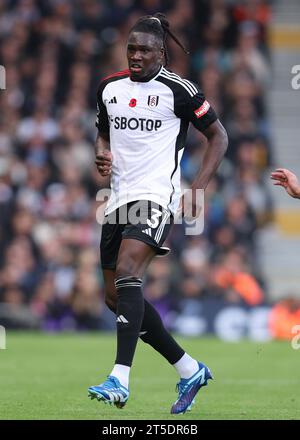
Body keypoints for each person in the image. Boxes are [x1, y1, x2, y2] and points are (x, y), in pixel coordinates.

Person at [88, 13, 228, 414]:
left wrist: (198, 187)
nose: (136, 55)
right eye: (131, 48)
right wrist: (101, 151)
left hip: (157, 196)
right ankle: (189, 370)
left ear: (161, 53)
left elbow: (219, 136)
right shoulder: (109, 88)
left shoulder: (178, 90)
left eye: (144, 50)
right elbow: (102, 131)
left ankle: (119, 377)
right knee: (116, 297)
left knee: (130, 273)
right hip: (116, 199)